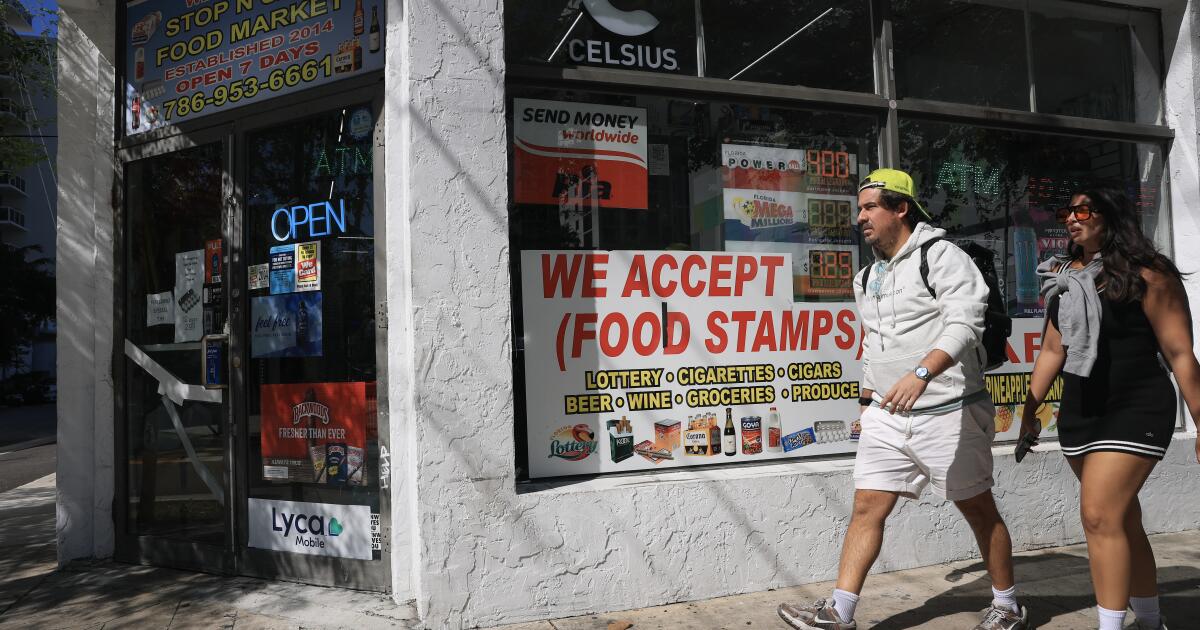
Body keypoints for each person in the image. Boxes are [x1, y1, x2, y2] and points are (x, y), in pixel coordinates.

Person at [778, 169, 1027, 630]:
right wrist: (866, 399)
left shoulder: (942, 256)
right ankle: (840, 611)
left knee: (977, 507)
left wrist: (921, 373)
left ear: (900, 208)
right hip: (887, 416)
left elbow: (965, 323)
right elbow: (874, 341)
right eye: (859, 208)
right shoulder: (867, 275)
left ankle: (1007, 605)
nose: (861, 218)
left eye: (870, 207)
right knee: (867, 506)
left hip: (950, 409)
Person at [1019, 187, 1200, 630]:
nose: (1071, 218)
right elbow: (1051, 350)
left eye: (1084, 210)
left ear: (1111, 217)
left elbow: (1180, 353)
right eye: (1067, 211)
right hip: (1082, 411)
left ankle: (1110, 625)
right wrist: (1029, 410)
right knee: (1122, 519)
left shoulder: (1149, 274)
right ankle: (1152, 620)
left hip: (1137, 405)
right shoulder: (1065, 277)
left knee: (1099, 516)